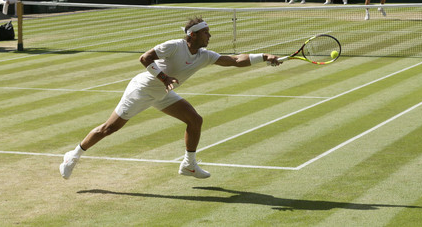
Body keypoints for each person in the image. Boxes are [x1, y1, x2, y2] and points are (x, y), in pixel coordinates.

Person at [59, 17, 282, 180]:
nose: (210, 36)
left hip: (163, 93)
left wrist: (264, 57)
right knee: (109, 128)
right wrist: (164, 77)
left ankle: (189, 164)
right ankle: (73, 155)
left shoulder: (204, 56)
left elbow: (234, 60)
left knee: (195, 120)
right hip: (142, 90)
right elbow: (144, 58)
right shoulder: (174, 46)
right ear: (193, 34)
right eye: (206, 32)